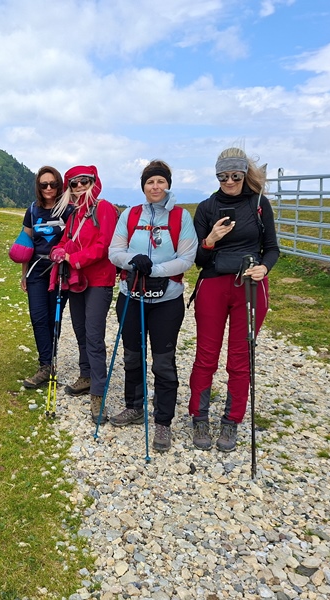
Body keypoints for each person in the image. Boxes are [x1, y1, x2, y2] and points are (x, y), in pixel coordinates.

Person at [188, 147, 280, 452]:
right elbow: (198, 258)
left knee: (240, 358)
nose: (229, 181)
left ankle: (231, 421)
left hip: (250, 286)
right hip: (213, 283)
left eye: (235, 175)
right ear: (216, 176)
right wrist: (211, 239)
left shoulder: (258, 204)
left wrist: (264, 267)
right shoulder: (206, 207)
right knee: (206, 355)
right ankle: (199, 416)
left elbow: (272, 248)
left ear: (244, 174)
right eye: (222, 175)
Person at [108, 160, 198, 451]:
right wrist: (132, 262)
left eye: (160, 181)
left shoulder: (181, 217)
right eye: (150, 182)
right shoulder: (132, 215)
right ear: (143, 186)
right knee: (132, 357)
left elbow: (187, 258)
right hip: (131, 297)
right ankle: (134, 406)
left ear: (168, 184)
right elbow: (114, 251)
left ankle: (163, 421)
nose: (155, 187)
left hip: (166, 301)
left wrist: (153, 270)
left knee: (163, 361)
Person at [50, 165, 118, 423]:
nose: (79, 187)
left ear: (94, 182)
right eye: (74, 184)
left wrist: (72, 258)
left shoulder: (104, 209)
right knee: (80, 329)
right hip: (77, 280)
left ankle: (98, 393)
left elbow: (104, 245)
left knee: (93, 334)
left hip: (99, 280)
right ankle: (86, 376)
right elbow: (65, 241)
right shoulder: (75, 214)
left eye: (84, 182)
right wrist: (58, 251)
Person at [19, 166, 74, 388]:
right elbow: (26, 243)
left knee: (54, 318)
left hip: (60, 271)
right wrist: (23, 274)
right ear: (38, 187)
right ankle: (45, 365)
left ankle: (49, 360)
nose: (49, 188)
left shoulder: (69, 210)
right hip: (36, 270)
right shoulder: (32, 210)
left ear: (59, 185)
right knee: (38, 317)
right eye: (44, 184)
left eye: (53, 184)